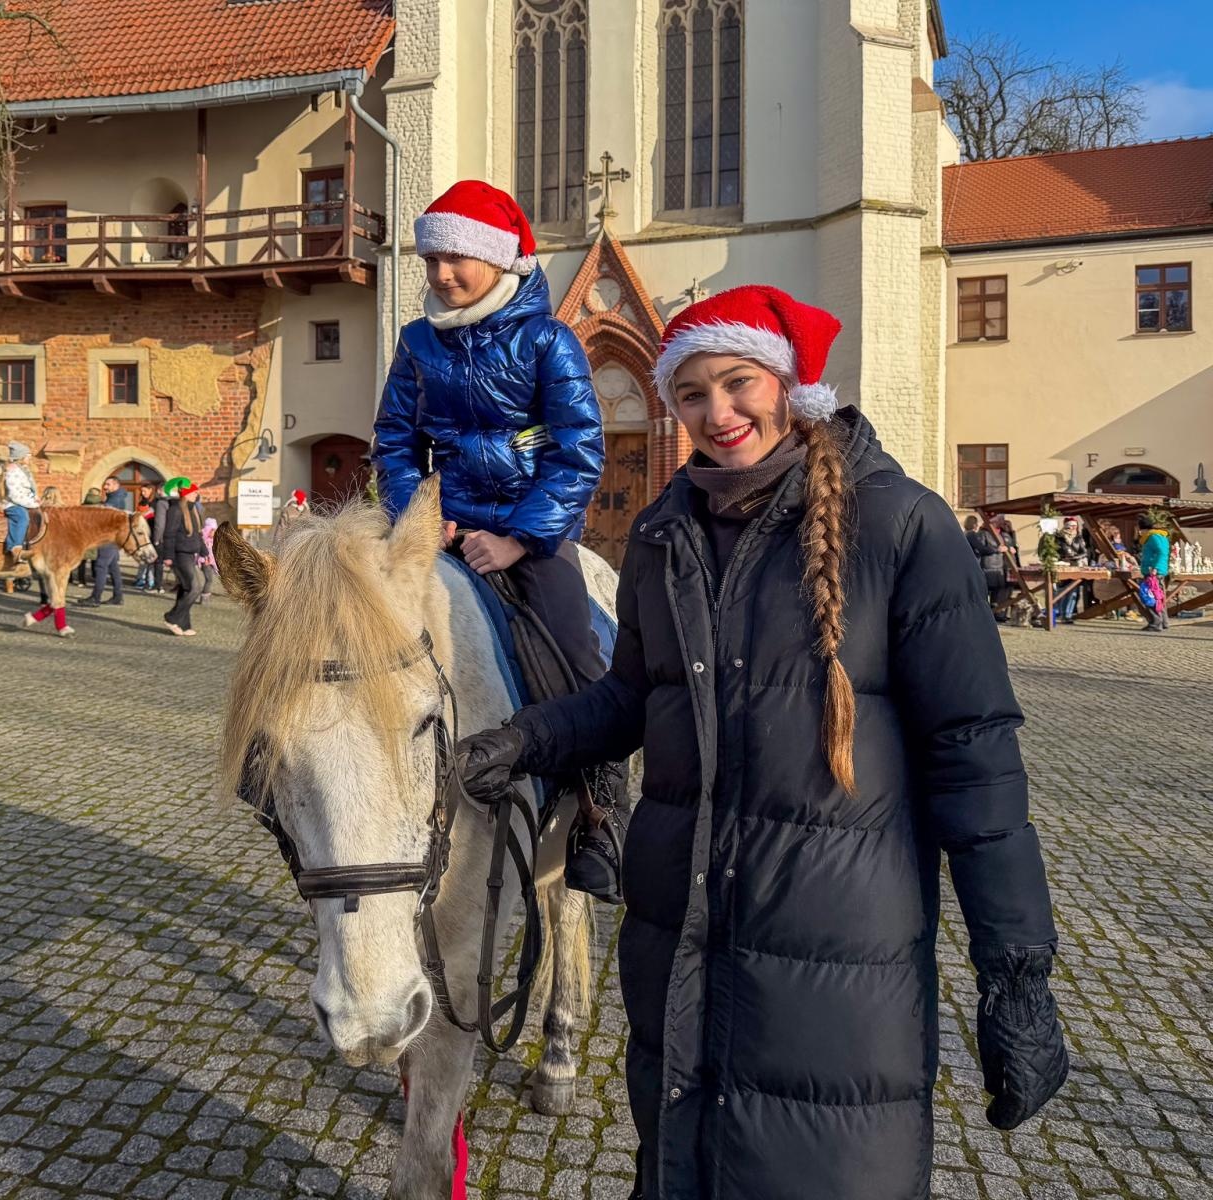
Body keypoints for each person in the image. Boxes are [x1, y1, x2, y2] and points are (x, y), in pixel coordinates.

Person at [456, 286, 1069, 1200]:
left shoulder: (899, 526)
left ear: (788, 384)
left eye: (738, 383)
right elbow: (631, 697)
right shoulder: (663, 533)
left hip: (833, 961)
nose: (717, 413)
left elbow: (973, 753)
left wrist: (1014, 973)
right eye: (691, 394)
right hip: (681, 949)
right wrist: (524, 738)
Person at [372, 178, 618, 899]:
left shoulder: (549, 339)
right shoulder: (417, 341)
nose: (443, 275)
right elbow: (393, 441)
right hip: (439, 533)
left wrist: (519, 540)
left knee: (580, 655)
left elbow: (578, 450)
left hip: (528, 536)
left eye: (458, 260)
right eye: (432, 261)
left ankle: (602, 814)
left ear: (499, 261)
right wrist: (419, 520)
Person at [159, 479, 203, 635]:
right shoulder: (176, 510)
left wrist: (204, 551)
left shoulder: (193, 510)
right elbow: (169, 534)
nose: (197, 494)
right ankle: (172, 617)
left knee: (186, 588)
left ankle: (184, 625)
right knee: (195, 587)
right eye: (194, 492)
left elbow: (198, 534)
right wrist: (168, 556)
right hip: (179, 554)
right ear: (186, 494)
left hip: (191, 553)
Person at [78, 477, 130, 607]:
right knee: (113, 567)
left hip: (108, 538)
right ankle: (118, 597)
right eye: (105, 484)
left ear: (116, 485)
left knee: (101, 566)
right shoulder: (114, 496)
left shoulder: (115, 499)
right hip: (112, 538)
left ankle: (95, 598)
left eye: (108, 484)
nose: (105, 487)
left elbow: (104, 513)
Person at [1, 443, 40, 563]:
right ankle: (16, 549)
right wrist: (33, 503)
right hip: (13, 504)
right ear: (21, 457)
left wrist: (36, 498)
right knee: (22, 517)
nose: (30, 459)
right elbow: (15, 494)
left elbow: (28, 489)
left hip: (26, 502)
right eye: (28, 456)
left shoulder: (24, 470)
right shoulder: (13, 471)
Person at [1136, 511, 1171, 631]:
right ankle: (1164, 622)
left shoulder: (1153, 537)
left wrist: (1155, 568)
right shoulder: (1158, 536)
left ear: (1143, 529)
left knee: (1150, 597)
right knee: (1159, 597)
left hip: (1153, 572)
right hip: (1155, 571)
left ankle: (1155, 623)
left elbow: (1162, 553)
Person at [963, 515, 1005, 612]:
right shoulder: (971, 534)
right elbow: (981, 548)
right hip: (972, 564)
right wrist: (997, 549)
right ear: (974, 524)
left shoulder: (965, 534)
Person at [133, 480, 168, 592]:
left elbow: (153, 517)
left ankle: (153, 582)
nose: (143, 493)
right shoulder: (143, 502)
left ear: (152, 490)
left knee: (153, 560)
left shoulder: (156, 503)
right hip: (145, 532)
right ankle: (144, 579)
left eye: (145, 491)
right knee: (146, 559)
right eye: (141, 491)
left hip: (153, 533)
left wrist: (141, 515)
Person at [1053, 516, 1089, 624]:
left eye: (1074, 526)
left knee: (1074, 591)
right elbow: (1055, 550)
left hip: (1076, 566)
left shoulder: (1079, 538)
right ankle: (1060, 612)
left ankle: (1067, 615)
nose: (1072, 528)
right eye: (1070, 526)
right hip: (1062, 566)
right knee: (1062, 590)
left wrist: (1075, 557)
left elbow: (1084, 552)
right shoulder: (1059, 538)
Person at [195, 516, 219, 604]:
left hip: (211, 562)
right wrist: (204, 559)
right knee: (209, 579)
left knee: (210, 579)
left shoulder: (213, 540)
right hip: (205, 562)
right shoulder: (203, 540)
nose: (215, 532)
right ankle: (204, 597)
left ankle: (204, 597)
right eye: (213, 530)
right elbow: (202, 551)